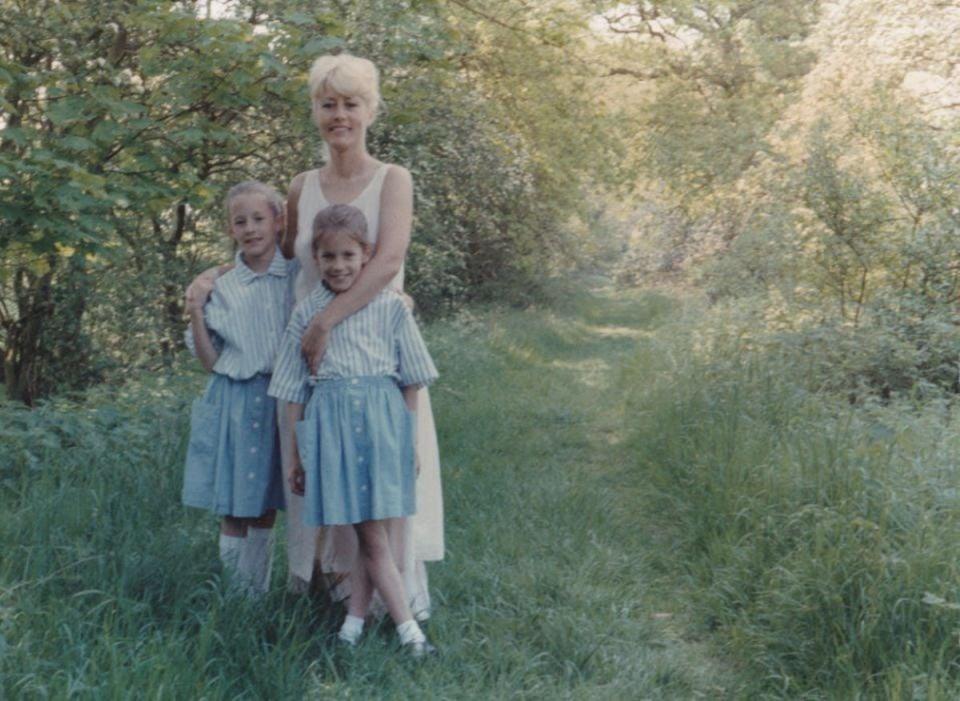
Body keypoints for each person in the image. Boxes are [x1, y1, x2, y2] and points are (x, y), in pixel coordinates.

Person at [281, 53, 443, 616]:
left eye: (352, 104)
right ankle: (325, 596)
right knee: (316, 472)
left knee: (380, 482)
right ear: (315, 112)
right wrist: (217, 275)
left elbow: (388, 260)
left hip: (375, 359)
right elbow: (282, 260)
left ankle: (390, 605)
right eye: (329, 104)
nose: (339, 115)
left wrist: (328, 320)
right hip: (312, 365)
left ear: (370, 111)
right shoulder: (302, 186)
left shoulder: (392, 179)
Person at [269, 204, 437, 655]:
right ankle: (391, 630)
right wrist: (298, 454)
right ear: (316, 259)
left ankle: (386, 630)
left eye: (348, 255)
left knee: (372, 533)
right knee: (368, 534)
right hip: (333, 430)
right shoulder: (308, 314)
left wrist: (408, 437)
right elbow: (291, 393)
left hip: (381, 425)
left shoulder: (388, 308)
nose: (339, 266)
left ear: (366, 254)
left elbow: (413, 380)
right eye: (329, 257)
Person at [182, 181, 294, 595]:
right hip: (235, 397)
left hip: (280, 399)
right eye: (239, 221)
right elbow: (211, 361)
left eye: (259, 219)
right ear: (230, 229)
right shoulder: (220, 287)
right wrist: (195, 309)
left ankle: (257, 595)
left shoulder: (295, 275)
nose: (250, 229)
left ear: (279, 221)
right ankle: (234, 597)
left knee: (265, 503)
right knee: (233, 504)